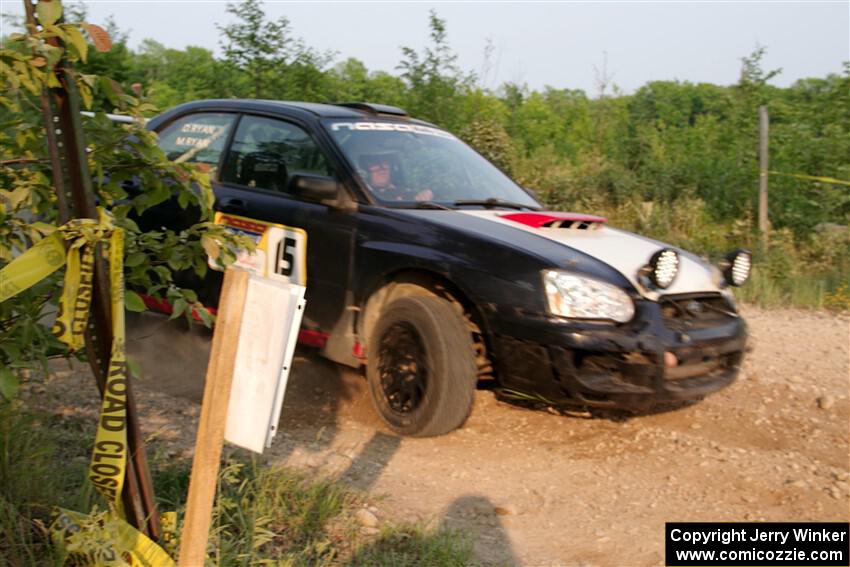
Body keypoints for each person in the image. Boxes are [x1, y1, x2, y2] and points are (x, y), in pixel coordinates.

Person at [361, 154, 433, 202]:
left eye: (385, 163)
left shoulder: (404, 191)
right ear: (365, 170)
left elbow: (415, 198)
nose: (382, 168)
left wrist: (423, 197)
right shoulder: (361, 193)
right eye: (375, 164)